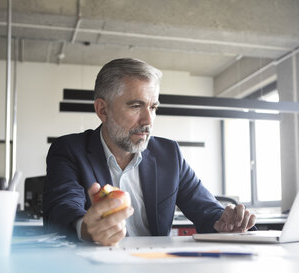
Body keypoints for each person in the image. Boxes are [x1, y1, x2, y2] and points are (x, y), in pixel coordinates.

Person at [43, 58, 256, 246]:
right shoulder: (70, 150)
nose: (148, 120)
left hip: (155, 270)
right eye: (136, 106)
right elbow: (61, 209)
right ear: (102, 110)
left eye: (153, 107)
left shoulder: (169, 154)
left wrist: (225, 222)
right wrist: (86, 228)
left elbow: (207, 209)